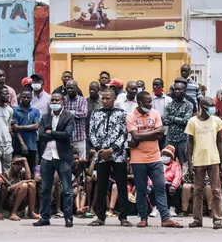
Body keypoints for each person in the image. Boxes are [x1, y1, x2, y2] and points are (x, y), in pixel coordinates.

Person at [126, 90, 180, 228]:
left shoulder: (155, 113)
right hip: (138, 160)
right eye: (148, 102)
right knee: (142, 189)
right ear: (139, 103)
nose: (150, 104)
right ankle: (143, 217)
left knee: (160, 187)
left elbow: (160, 133)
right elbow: (136, 136)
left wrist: (140, 135)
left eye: (151, 101)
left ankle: (165, 218)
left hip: (155, 157)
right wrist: (152, 133)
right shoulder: (131, 116)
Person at [87, 88, 130, 227]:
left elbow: (124, 134)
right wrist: (100, 149)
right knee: (101, 185)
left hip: (118, 154)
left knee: (122, 185)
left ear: (114, 99)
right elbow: (91, 133)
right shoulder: (95, 113)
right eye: (103, 98)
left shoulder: (122, 114)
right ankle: (100, 216)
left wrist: (112, 149)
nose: (105, 101)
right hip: (101, 155)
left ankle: (123, 216)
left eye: (108, 98)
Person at [34, 93, 77, 227]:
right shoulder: (45, 117)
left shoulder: (69, 116)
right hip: (47, 156)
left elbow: (67, 135)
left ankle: (68, 218)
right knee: (45, 188)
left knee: (67, 189)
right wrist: (54, 134)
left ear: (62, 101)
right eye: (52, 100)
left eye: (57, 100)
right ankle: (45, 217)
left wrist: (50, 133)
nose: (54, 102)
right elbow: (41, 135)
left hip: (62, 156)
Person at [185, 96, 222, 229]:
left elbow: (220, 141)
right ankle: (197, 219)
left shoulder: (217, 121)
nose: (213, 108)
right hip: (198, 160)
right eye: (210, 106)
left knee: (216, 190)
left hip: (213, 159)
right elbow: (190, 143)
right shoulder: (193, 122)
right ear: (202, 107)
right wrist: (190, 162)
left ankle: (217, 219)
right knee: (197, 191)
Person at [163, 82, 195, 165]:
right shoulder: (169, 104)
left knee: (184, 163)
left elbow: (186, 121)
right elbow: (164, 120)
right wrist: (178, 119)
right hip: (170, 138)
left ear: (184, 90)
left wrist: (172, 117)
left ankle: (183, 178)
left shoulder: (189, 105)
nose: (177, 91)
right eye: (175, 89)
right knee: (167, 162)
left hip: (183, 139)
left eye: (179, 89)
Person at [11, 89, 42, 169]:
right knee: (17, 169)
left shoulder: (35, 111)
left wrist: (20, 127)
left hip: (32, 145)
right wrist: (22, 144)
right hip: (18, 146)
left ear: (31, 98)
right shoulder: (14, 111)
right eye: (24, 97)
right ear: (20, 97)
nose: (26, 99)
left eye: (28, 97)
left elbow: (36, 126)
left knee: (32, 169)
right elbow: (15, 129)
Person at [61, 80, 90, 157]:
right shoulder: (63, 100)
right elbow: (61, 115)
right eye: (67, 88)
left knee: (81, 162)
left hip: (79, 137)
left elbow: (84, 114)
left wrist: (68, 113)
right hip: (66, 138)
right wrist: (75, 113)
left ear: (77, 88)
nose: (69, 90)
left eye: (71, 88)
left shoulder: (82, 100)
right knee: (66, 161)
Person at [160, 145, 183, 217]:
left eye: (167, 155)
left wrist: (174, 185)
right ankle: (156, 209)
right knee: (153, 187)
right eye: (164, 154)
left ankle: (172, 209)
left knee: (178, 188)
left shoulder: (176, 165)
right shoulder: (157, 164)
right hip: (159, 184)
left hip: (170, 184)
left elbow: (178, 176)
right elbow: (151, 176)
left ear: (171, 157)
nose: (165, 156)